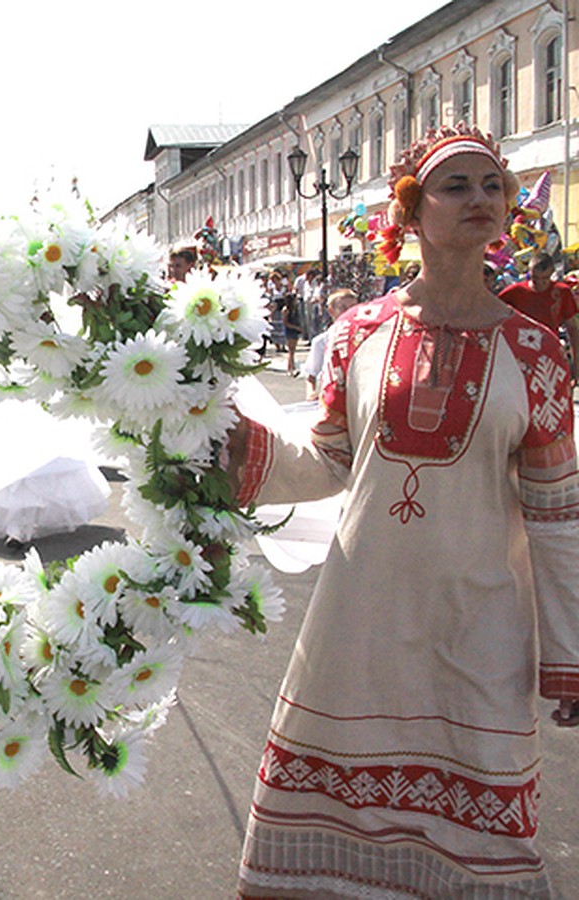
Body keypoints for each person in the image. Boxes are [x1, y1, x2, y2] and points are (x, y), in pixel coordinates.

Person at [232, 125, 579, 897]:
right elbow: (327, 461)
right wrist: (230, 446)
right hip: (359, 621)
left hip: (480, 627)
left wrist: (569, 654)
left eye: (492, 186)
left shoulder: (535, 349)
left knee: (481, 829)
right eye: (456, 187)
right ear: (412, 213)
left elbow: (558, 515)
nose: (481, 200)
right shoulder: (359, 333)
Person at [499, 251, 579, 379]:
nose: (540, 283)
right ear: (529, 273)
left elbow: (572, 329)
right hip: (520, 355)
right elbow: (494, 313)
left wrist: (575, 364)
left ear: (552, 274)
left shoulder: (562, 292)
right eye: (535, 278)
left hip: (549, 353)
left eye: (545, 278)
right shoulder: (515, 292)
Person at [299, 288, 356, 399]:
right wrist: (311, 392)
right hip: (332, 397)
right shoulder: (321, 342)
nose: (348, 313)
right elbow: (311, 373)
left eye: (352, 308)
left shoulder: (364, 338)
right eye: (342, 308)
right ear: (331, 311)